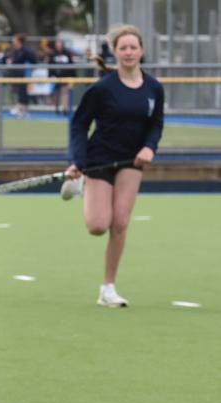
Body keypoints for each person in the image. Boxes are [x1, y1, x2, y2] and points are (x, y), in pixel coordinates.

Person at [65, 24, 163, 308]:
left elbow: (156, 123)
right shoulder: (102, 89)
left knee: (120, 223)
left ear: (141, 50)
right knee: (97, 226)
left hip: (132, 161)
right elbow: (79, 124)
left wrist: (149, 147)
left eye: (134, 47)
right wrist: (77, 161)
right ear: (115, 52)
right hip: (99, 159)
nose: (129, 52)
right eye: (123, 48)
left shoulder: (154, 88)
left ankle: (108, 287)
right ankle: (81, 183)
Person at [7, 33, 36, 117]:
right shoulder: (15, 51)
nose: (13, 41)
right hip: (16, 75)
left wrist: (30, 69)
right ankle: (20, 108)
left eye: (15, 39)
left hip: (24, 75)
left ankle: (24, 110)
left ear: (19, 41)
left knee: (23, 92)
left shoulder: (26, 51)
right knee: (17, 92)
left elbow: (33, 61)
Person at [48, 40, 75, 115]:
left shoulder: (67, 53)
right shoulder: (53, 54)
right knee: (56, 93)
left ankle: (64, 109)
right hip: (56, 76)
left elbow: (71, 65)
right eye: (57, 44)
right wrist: (50, 75)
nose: (58, 46)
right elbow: (50, 65)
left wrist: (72, 76)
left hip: (65, 76)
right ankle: (57, 108)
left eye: (60, 44)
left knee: (64, 92)